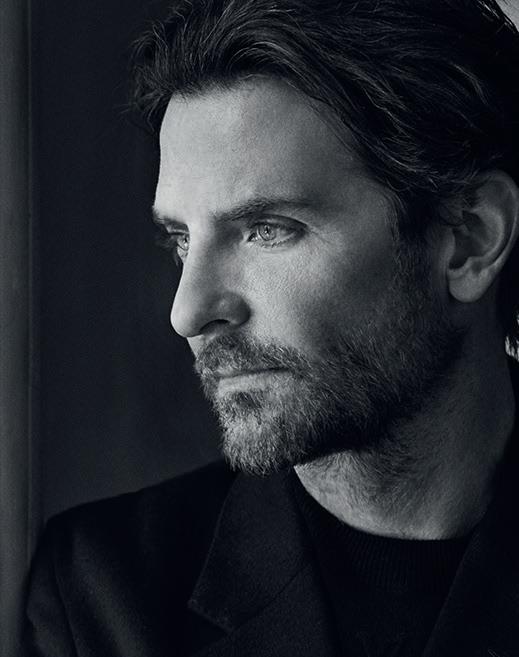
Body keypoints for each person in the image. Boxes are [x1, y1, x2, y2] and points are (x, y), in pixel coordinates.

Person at [24, 0, 519, 655]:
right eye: (180, 239)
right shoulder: (103, 596)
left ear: (468, 239)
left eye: (267, 230)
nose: (187, 313)